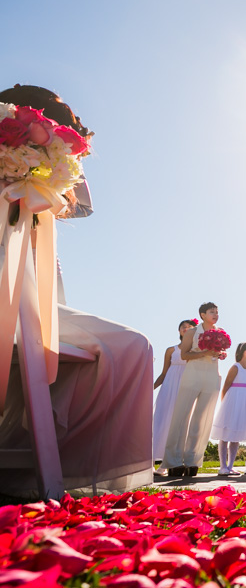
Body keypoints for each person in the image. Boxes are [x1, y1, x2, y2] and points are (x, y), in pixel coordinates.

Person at [0, 84, 155, 496]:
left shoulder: (44, 188)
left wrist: (49, 164)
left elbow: (80, 206)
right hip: (13, 298)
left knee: (128, 348)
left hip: (39, 295)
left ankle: (60, 461)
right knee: (131, 347)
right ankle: (66, 467)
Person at [162, 302, 223, 477]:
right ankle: (173, 461)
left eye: (217, 312)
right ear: (202, 314)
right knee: (181, 417)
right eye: (212, 312)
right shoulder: (192, 332)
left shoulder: (220, 332)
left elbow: (216, 353)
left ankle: (193, 460)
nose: (216, 315)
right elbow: (184, 355)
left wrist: (219, 354)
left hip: (211, 375)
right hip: (192, 375)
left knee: (202, 419)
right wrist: (205, 353)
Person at [152, 319, 196, 473]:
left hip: (186, 388)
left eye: (190, 327)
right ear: (179, 331)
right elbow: (164, 373)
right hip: (169, 388)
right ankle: (151, 460)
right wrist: (151, 388)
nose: (186, 329)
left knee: (181, 424)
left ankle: (169, 462)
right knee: (163, 420)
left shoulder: (196, 351)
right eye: (183, 327)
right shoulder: (171, 350)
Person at [210, 342, 246, 475]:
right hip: (232, 402)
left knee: (236, 435)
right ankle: (223, 466)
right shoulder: (235, 367)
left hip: (244, 404)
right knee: (225, 434)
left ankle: (230, 466)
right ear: (242, 351)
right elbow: (226, 386)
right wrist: (225, 404)